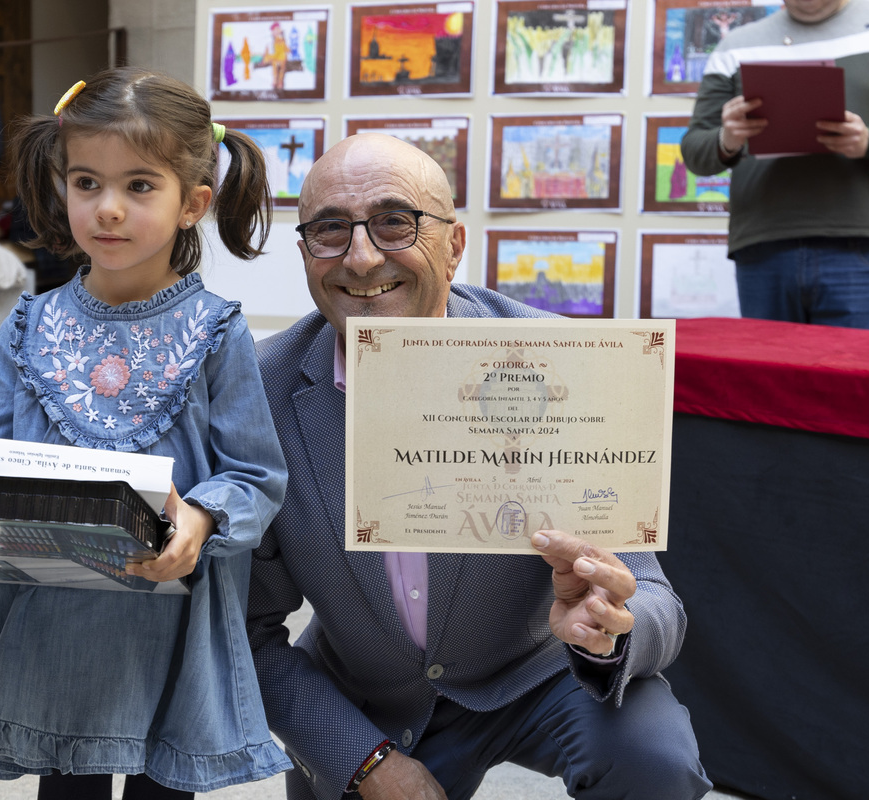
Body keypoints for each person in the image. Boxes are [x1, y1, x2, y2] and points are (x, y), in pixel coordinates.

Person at [0, 68, 290, 799]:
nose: (107, 209)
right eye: (87, 183)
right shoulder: (28, 324)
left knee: (159, 783)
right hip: (52, 622)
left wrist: (201, 517)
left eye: (139, 186)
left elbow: (258, 476)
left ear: (192, 204)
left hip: (173, 627)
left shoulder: (216, 331)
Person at [247, 133, 711, 800]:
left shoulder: (562, 365)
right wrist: (363, 760)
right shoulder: (260, 389)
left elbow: (658, 601)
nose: (361, 255)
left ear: (454, 244)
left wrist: (610, 630)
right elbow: (246, 631)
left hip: (538, 674)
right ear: (305, 253)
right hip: (365, 693)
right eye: (330, 230)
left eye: (393, 222)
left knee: (655, 760)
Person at [680, 0, 869, 330]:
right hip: (763, 249)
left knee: (859, 380)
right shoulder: (735, 45)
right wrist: (729, 138)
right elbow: (695, 149)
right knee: (771, 379)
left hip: (868, 245)